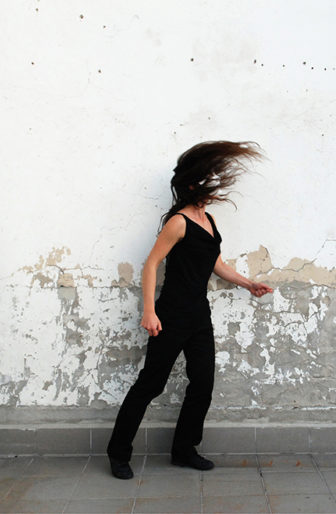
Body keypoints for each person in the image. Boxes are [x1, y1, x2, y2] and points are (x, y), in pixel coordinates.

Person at [106, 141, 273, 480]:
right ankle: (118, 453)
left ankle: (184, 450)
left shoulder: (208, 219)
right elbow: (151, 264)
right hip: (170, 315)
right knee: (150, 385)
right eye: (208, 178)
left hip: (199, 315)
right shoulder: (178, 222)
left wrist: (248, 284)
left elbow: (216, 263)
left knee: (203, 383)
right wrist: (149, 311)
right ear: (194, 185)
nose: (215, 184)